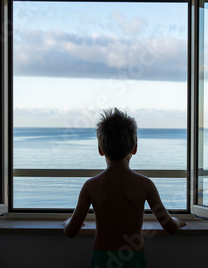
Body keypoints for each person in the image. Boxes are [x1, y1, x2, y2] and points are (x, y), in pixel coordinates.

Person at [64, 108, 186, 268]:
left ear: (100, 149)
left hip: (102, 259)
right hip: (133, 258)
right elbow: (169, 226)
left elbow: (70, 231)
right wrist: (178, 221)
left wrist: (68, 221)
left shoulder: (91, 186)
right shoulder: (145, 184)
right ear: (134, 148)